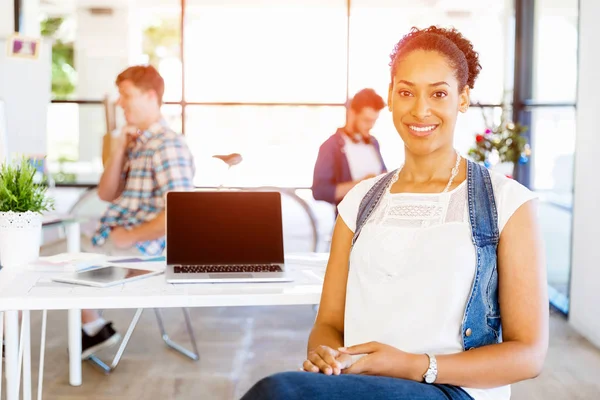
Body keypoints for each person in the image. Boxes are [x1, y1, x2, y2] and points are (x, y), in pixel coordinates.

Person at [242, 26, 548, 400]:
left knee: (278, 392)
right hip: (358, 385)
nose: (420, 109)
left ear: (463, 98)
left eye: (438, 93)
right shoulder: (358, 202)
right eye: (406, 92)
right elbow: (327, 324)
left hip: (451, 391)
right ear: (391, 96)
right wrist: (325, 357)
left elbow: (529, 355)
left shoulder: (507, 203)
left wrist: (412, 365)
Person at [79, 65, 195, 359]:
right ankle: (90, 329)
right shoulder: (138, 142)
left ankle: (90, 329)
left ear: (150, 96)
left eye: (126, 95)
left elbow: (181, 215)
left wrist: (129, 236)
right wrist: (118, 149)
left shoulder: (167, 146)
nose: (120, 103)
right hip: (120, 239)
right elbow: (106, 193)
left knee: (59, 264)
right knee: (68, 251)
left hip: (142, 250)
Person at [312, 88, 387, 208]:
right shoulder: (331, 146)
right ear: (352, 114)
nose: (370, 126)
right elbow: (320, 192)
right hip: (350, 221)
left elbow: (383, 174)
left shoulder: (374, 142)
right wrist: (362, 184)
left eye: (374, 121)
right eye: (366, 120)